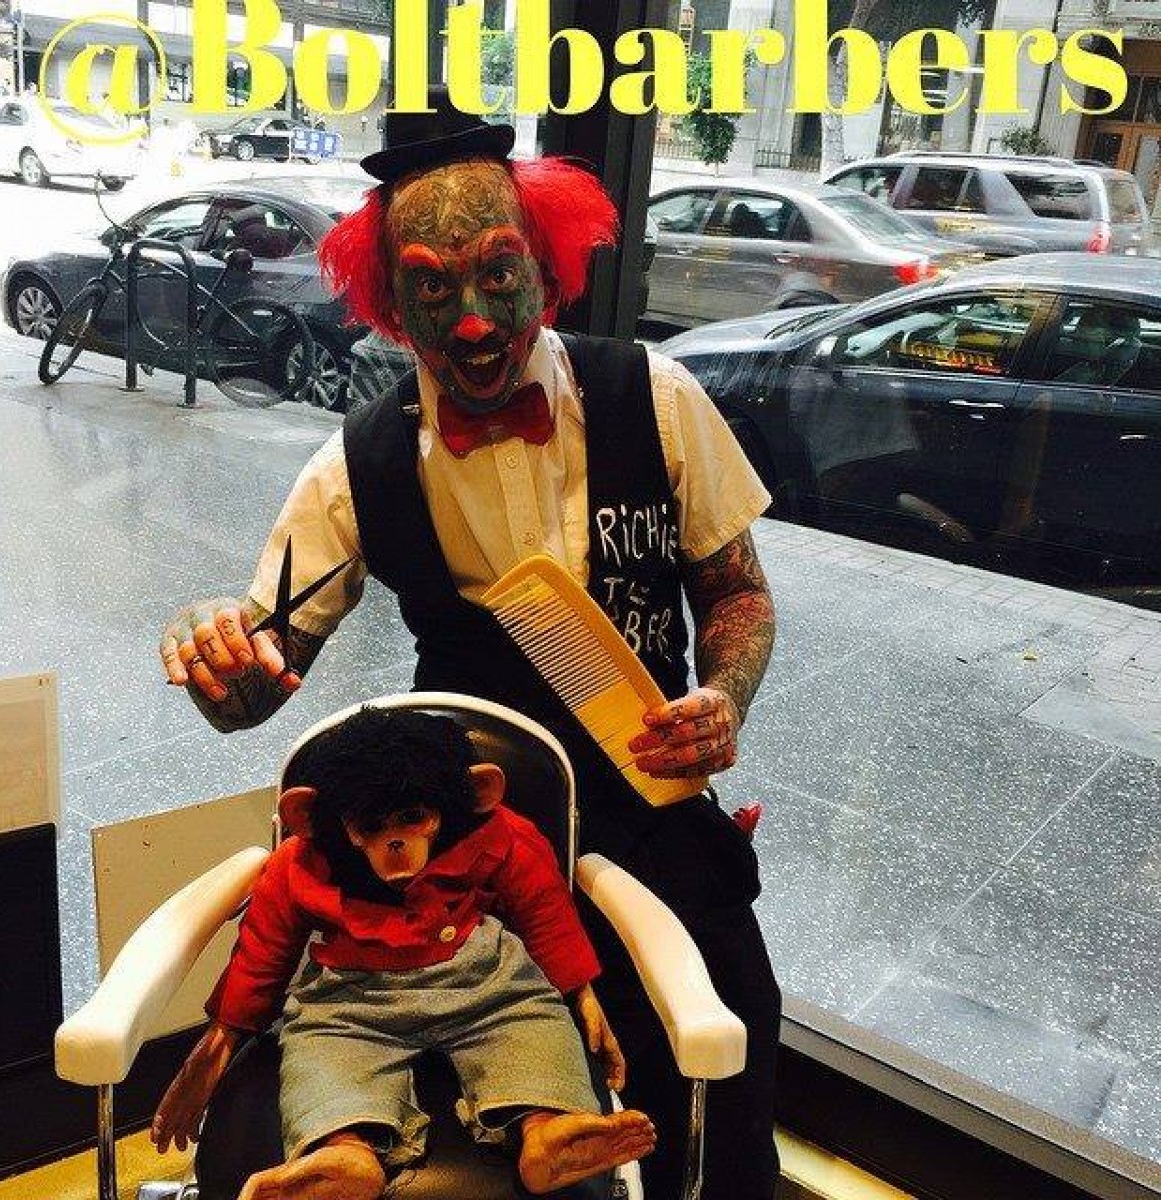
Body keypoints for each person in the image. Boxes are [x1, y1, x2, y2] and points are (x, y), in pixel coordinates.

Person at [160, 89, 781, 1200]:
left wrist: (724, 695)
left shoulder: (656, 398)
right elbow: (256, 683)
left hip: (652, 809)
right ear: (390, 303)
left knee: (727, 1046)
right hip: (465, 843)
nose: (477, 321)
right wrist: (217, 665)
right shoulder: (357, 465)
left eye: (499, 274)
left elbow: (736, 591)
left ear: (546, 262)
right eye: (433, 288)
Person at [151, 707, 654, 1199]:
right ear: (319, 818)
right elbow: (264, 947)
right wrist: (222, 1037)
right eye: (370, 825)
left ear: (475, 794)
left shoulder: (497, 834)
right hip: (352, 1002)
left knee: (533, 1026)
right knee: (322, 1056)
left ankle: (545, 1131)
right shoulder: (302, 862)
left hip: (485, 986)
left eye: (413, 818)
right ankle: (343, 1154)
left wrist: (580, 992)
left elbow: (544, 908)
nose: (394, 843)